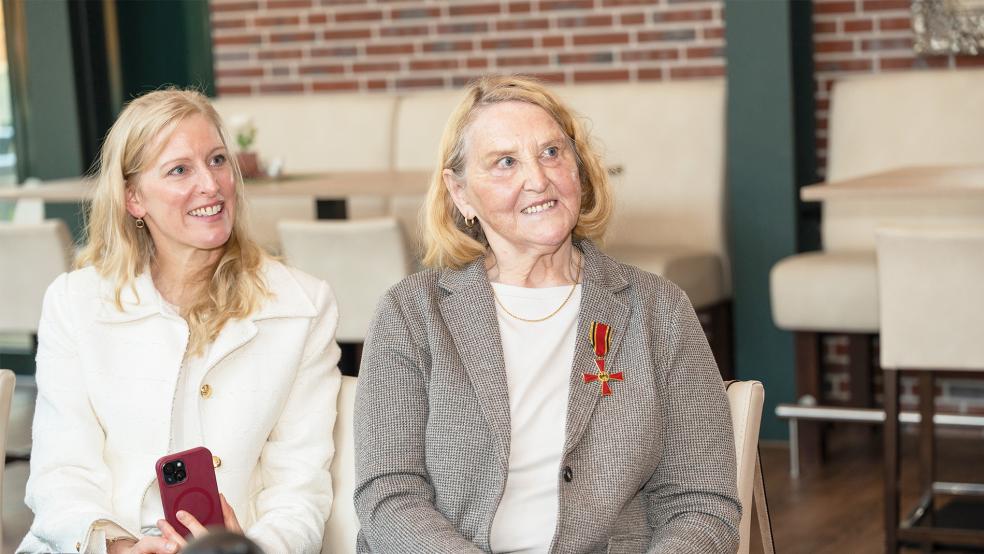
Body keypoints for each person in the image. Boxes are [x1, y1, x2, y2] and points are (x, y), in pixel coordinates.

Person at [354, 75, 741, 553]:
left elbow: (701, 502)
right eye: (505, 162)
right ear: (461, 194)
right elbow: (388, 495)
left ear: (579, 169)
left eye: (552, 153)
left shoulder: (657, 309)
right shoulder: (411, 314)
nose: (537, 179)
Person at [18, 89, 341, 554]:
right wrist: (118, 547)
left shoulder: (303, 306)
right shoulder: (75, 303)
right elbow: (60, 472)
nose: (211, 185)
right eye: (179, 170)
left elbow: (300, 490)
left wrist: (242, 549)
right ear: (134, 198)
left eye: (217, 160)